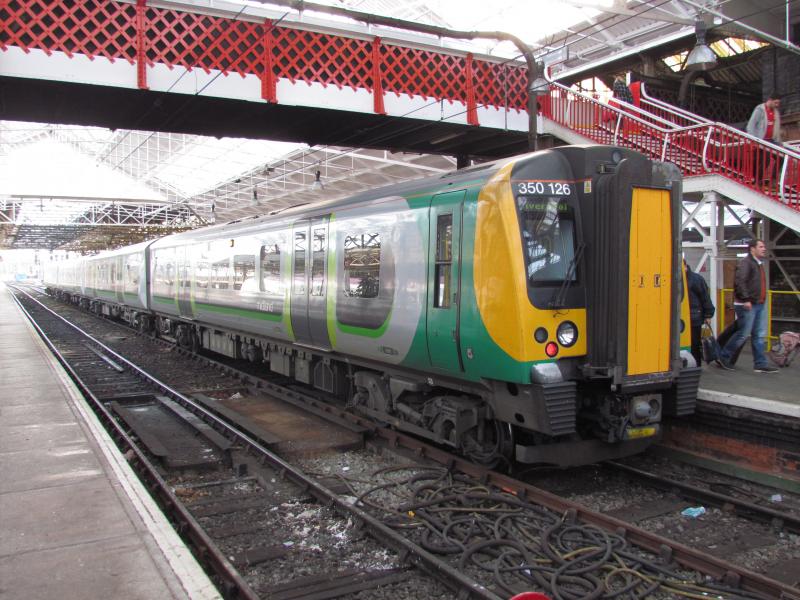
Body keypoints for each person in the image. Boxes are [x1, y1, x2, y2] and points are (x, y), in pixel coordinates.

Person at [716, 239, 778, 373]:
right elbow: (739, 281)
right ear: (752, 249)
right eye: (761, 246)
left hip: (758, 303)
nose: (764, 249)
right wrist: (746, 299)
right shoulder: (746, 263)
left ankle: (760, 364)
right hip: (747, 304)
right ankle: (724, 357)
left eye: (764, 246)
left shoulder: (757, 263)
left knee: (758, 335)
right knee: (743, 334)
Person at [746, 93, 782, 187]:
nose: (777, 105)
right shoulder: (760, 110)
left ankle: (773, 179)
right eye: (775, 103)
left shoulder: (776, 112)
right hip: (761, 140)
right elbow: (751, 125)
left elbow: (776, 128)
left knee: (781, 156)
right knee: (766, 158)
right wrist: (753, 139)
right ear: (770, 100)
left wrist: (779, 142)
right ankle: (758, 181)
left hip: (772, 140)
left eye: (778, 103)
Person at [685, 260, 715, 366]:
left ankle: (696, 365)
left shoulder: (696, 279)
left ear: (685, 266)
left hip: (694, 317)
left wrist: (708, 315)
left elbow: (705, 297)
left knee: (694, 344)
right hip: (687, 317)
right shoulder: (678, 278)